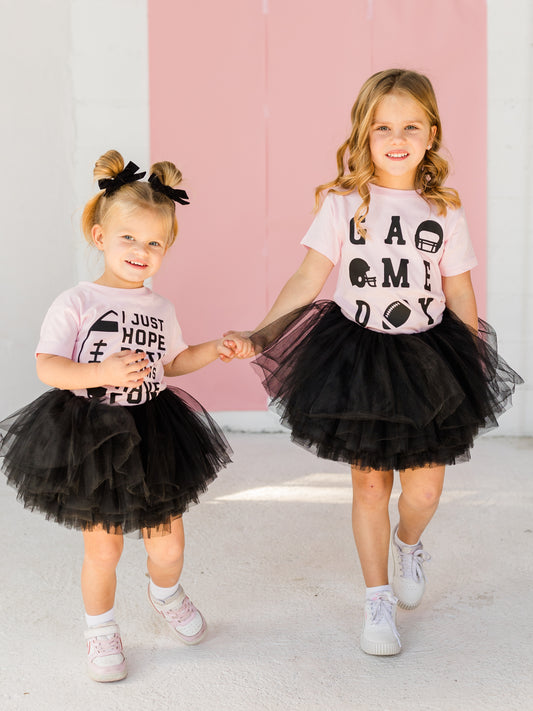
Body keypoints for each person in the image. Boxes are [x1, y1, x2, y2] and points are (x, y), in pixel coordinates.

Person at [228, 69, 522, 656]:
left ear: (431, 134)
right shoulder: (344, 204)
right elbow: (309, 276)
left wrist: (471, 360)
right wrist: (263, 334)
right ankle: (377, 598)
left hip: (427, 357)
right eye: (383, 126)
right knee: (367, 485)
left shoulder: (443, 211)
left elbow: (460, 290)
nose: (397, 137)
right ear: (364, 134)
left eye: (411, 126)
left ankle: (409, 543)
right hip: (357, 354)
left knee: (424, 491)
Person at [0, 150, 245, 682]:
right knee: (104, 546)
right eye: (129, 238)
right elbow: (48, 367)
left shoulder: (161, 307)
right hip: (94, 433)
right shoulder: (78, 300)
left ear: (167, 249)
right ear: (99, 236)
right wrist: (101, 370)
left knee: (169, 540)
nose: (141, 251)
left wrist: (213, 348)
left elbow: (173, 362)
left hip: (153, 429)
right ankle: (100, 629)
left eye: (154, 243)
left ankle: (166, 593)